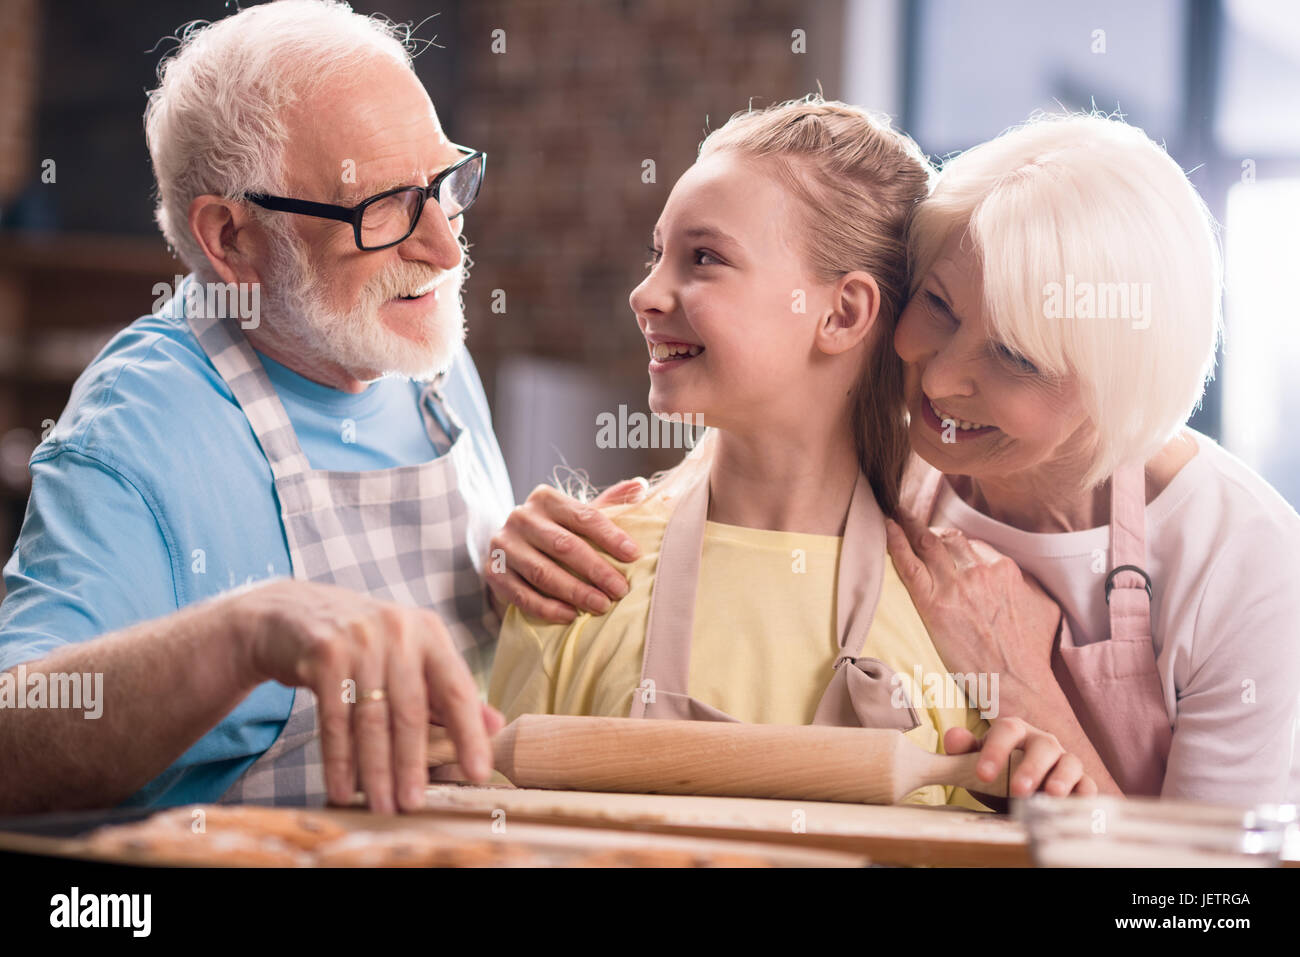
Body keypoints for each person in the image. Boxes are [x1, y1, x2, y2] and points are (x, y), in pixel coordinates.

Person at [491, 111, 1300, 807]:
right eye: (940, 305)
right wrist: (533, 544)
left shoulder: (1243, 561)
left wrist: (1025, 687)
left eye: (1015, 356)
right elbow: (769, 448)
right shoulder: (909, 460)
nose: (939, 379)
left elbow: (1209, 907)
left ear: (1116, 389)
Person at [0, 0, 513, 814]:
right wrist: (242, 633)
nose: (445, 248)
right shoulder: (138, 424)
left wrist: (517, 562)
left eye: (445, 186)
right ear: (230, 240)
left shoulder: (417, 343)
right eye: (381, 208)